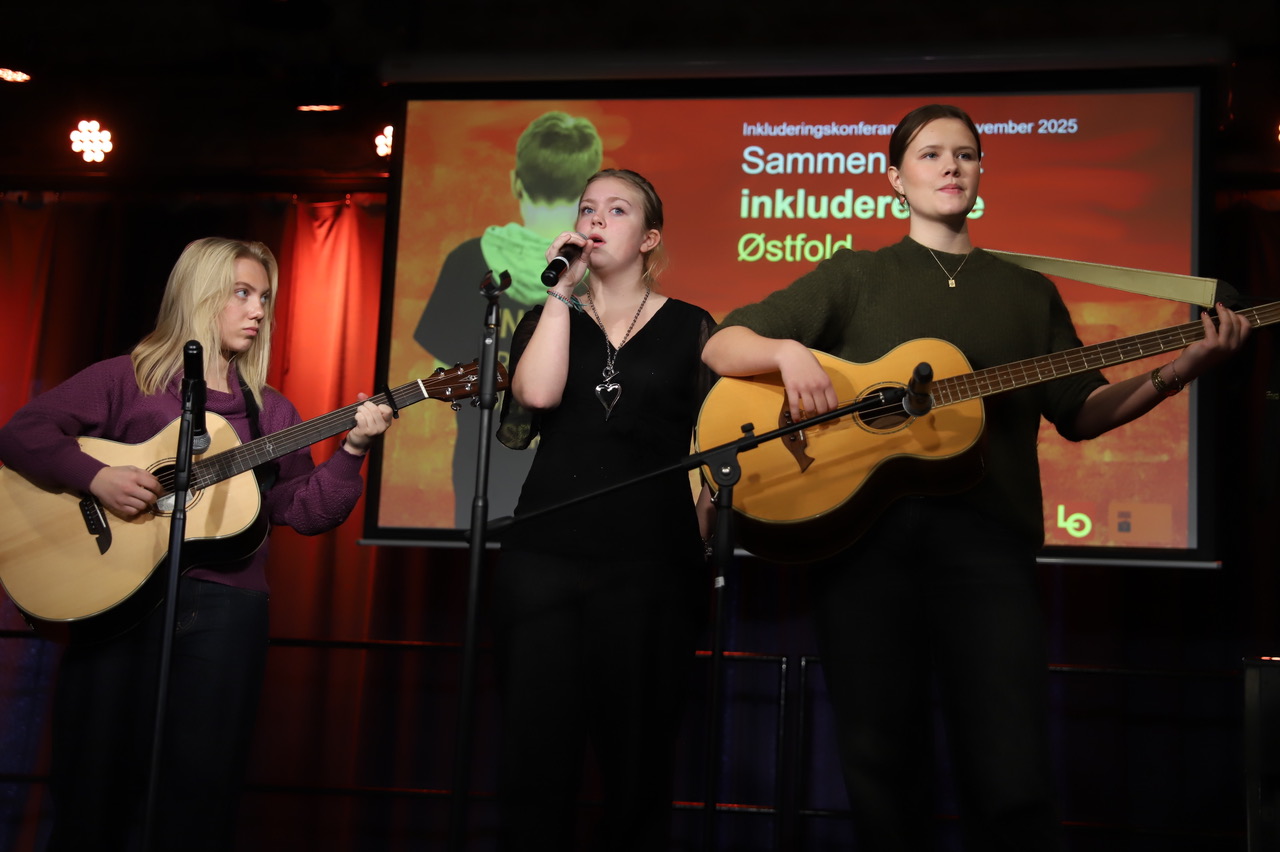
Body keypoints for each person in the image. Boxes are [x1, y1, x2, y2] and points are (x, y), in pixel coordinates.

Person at [700, 104, 1251, 850]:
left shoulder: (1027, 291)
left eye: (964, 154)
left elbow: (1081, 411)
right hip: (865, 551)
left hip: (989, 550)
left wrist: (1182, 368)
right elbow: (723, 345)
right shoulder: (856, 274)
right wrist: (786, 353)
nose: (950, 166)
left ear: (982, 172)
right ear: (895, 178)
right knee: (880, 764)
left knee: (1011, 771)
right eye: (929, 154)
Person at [0, 237, 395, 851]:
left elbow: (306, 512)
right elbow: (22, 434)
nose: (258, 310)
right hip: (115, 603)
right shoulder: (126, 380)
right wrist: (96, 477)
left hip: (226, 613)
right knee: (91, 790)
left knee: (199, 797)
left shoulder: (270, 411)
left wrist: (353, 450)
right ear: (199, 294)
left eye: (264, 297)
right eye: (242, 293)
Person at [493, 168, 716, 851]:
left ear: (649, 238)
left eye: (617, 210)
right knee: (538, 749)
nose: (595, 219)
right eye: (587, 208)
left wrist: (698, 532)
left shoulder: (691, 326)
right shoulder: (548, 316)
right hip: (545, 556)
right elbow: (536, 395)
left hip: (650, 565)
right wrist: (560, 295)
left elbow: (715, 446)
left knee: (637, 755)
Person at [414, 109, 603, 527]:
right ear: (583, 196)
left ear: (517, 182)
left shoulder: (466, 260)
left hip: (484, 465)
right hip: (578, 470)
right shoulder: (600, 272)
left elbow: (444, 375)